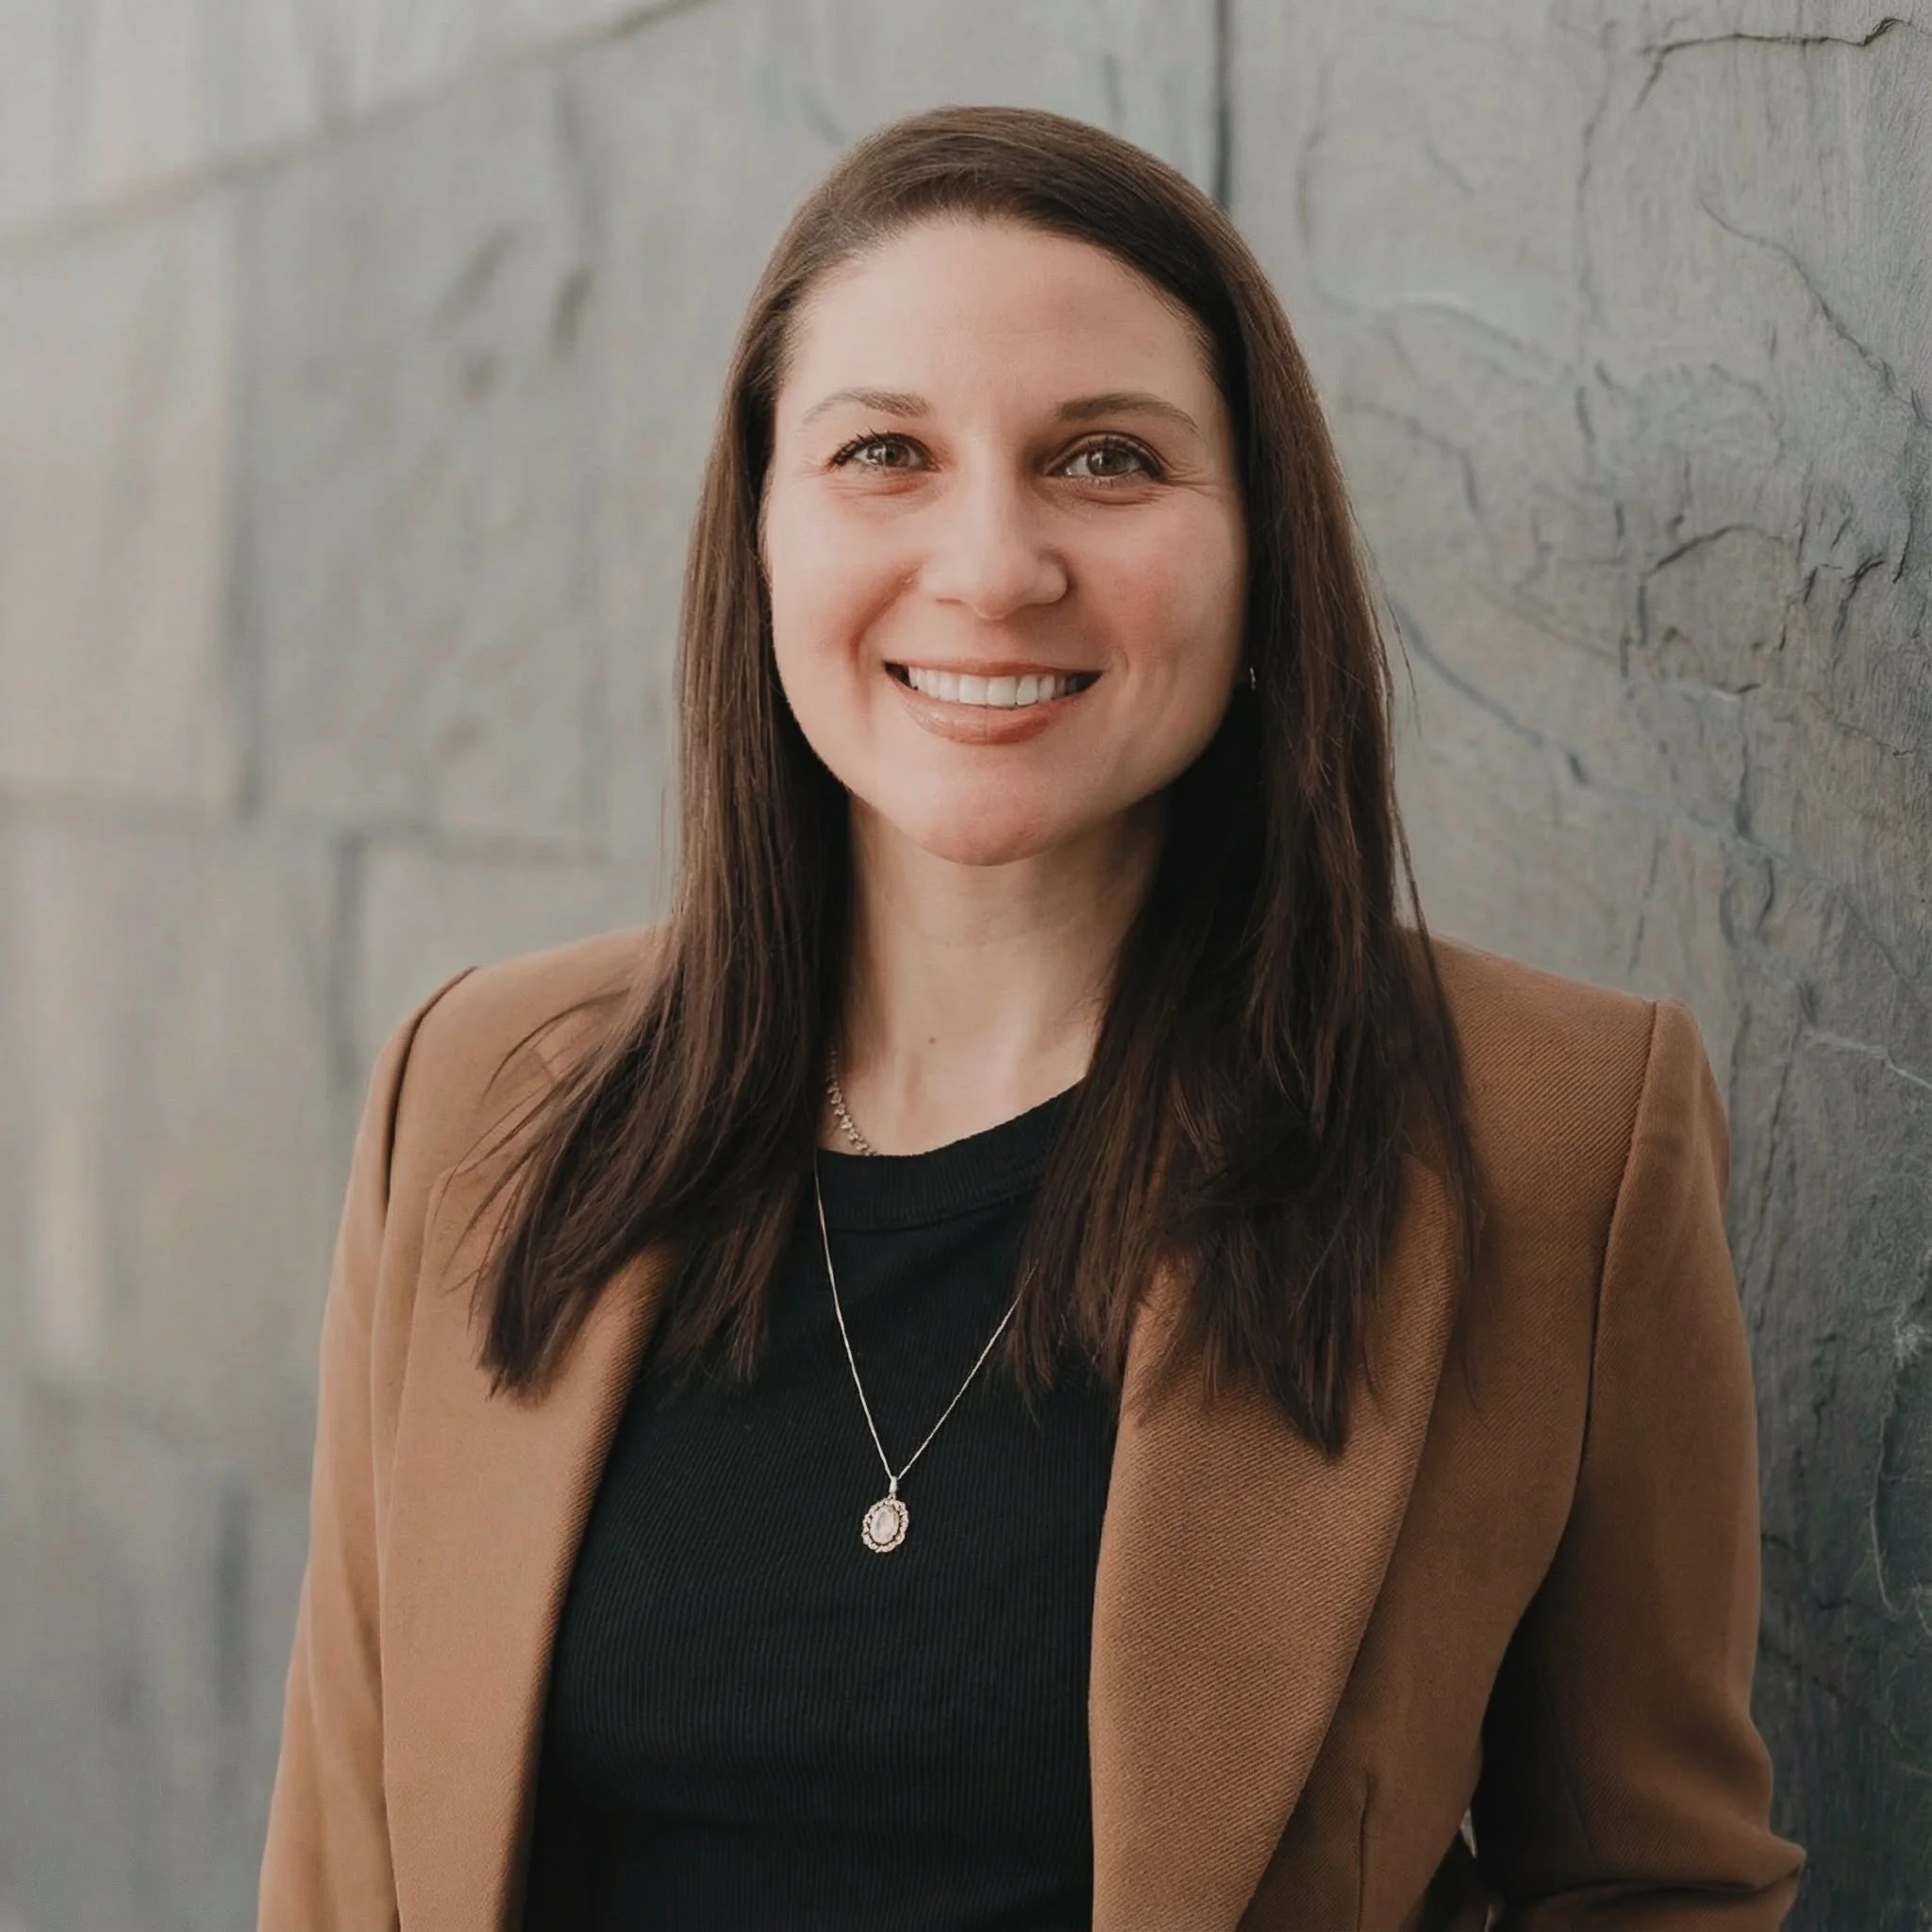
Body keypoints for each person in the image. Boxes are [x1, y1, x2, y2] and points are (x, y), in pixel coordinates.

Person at [258, 105, 1803, 1930]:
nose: (992, 566)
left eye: (1105, 460)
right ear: (757, 533)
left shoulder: (1553, 1132)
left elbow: (1654, 1885)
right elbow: (346, 1871)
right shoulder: (481, 1098)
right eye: (884, 453)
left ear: (1258, 552)